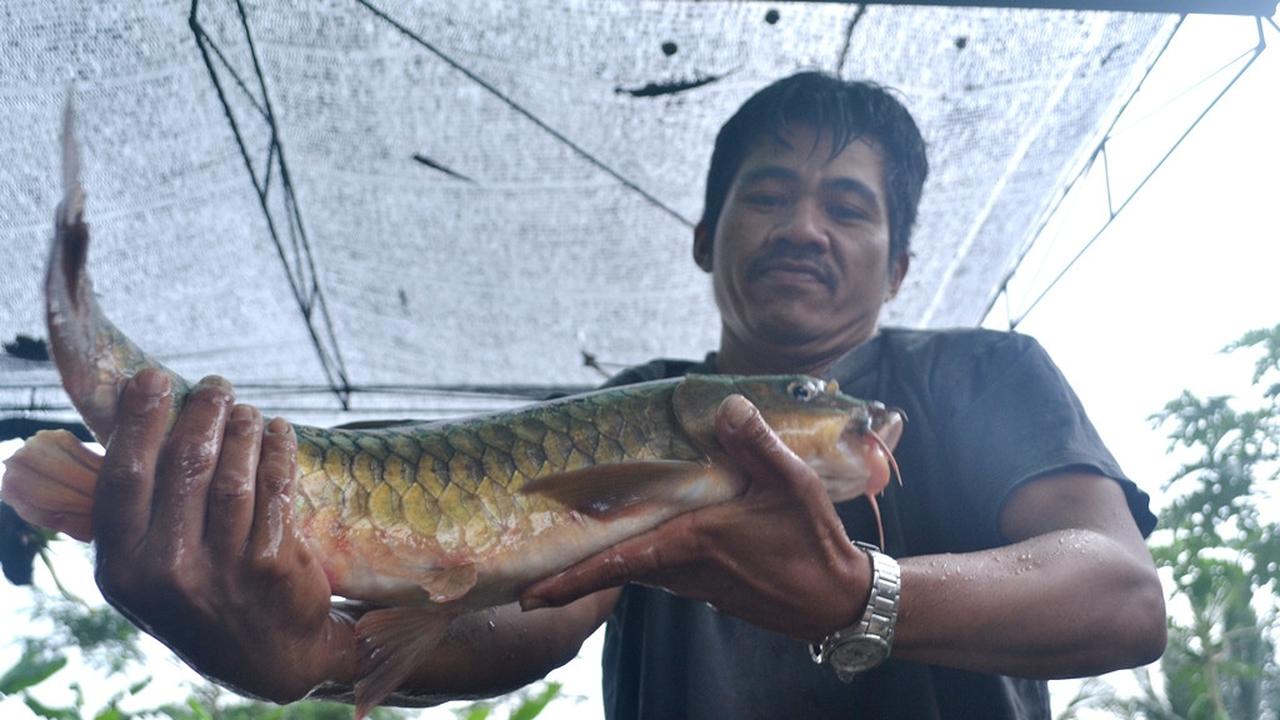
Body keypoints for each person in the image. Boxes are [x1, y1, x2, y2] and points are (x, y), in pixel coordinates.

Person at [91, 72, 1165, 719]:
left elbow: (1118, 594)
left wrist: (859, 594)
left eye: (847, 206)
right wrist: (323, 655)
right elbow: (529, 610)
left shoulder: (979, 375)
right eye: (768, 195)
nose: (803, 227)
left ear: (896, 265)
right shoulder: (650, 405)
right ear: (706, 238)